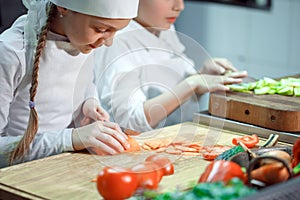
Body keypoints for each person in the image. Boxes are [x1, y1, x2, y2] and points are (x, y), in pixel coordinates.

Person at [0, 0, 140, 168]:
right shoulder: (10, 53)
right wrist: (71, 138)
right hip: (15, 174)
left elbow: (85, 79)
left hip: (62, 165)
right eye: (101, 29)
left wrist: (88, 100)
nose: (108, 42)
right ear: (64, 7)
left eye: (115, 31)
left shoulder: (84, 39)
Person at [94, 0, 248, 132]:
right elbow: (130, 122)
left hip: (176, 138)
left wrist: (202, 75)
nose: (180, 6)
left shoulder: (163, 29)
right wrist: (191, 84)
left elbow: (179, 93)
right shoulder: (117, 41)